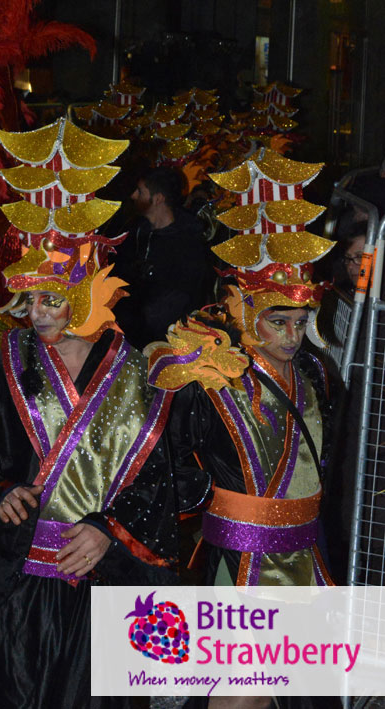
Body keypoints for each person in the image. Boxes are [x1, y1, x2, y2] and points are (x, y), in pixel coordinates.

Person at [0, 116, 177, 709]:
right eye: (29, 300)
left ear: (84, 293)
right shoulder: (6, 365)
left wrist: (111, 530)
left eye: (51, 299)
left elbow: (165, 475)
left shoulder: (139, 372)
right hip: (26, 574)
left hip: (106, 574)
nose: (37, 313)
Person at [148, 149, 336, 594]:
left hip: (307, 551)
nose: (292, 337)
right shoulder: (214, 377)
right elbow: (167, 454)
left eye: (300, 323)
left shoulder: (314, 373)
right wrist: (211, 501)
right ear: (248, 315)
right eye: (278, 323)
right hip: (238, 557)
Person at [113, 164, 214, 348]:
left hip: (165, 344)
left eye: (140, 192)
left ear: (158, 198)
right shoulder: (136, 231)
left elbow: (179, 303)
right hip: (129, 336)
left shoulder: (187, 244)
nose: (133, 196)